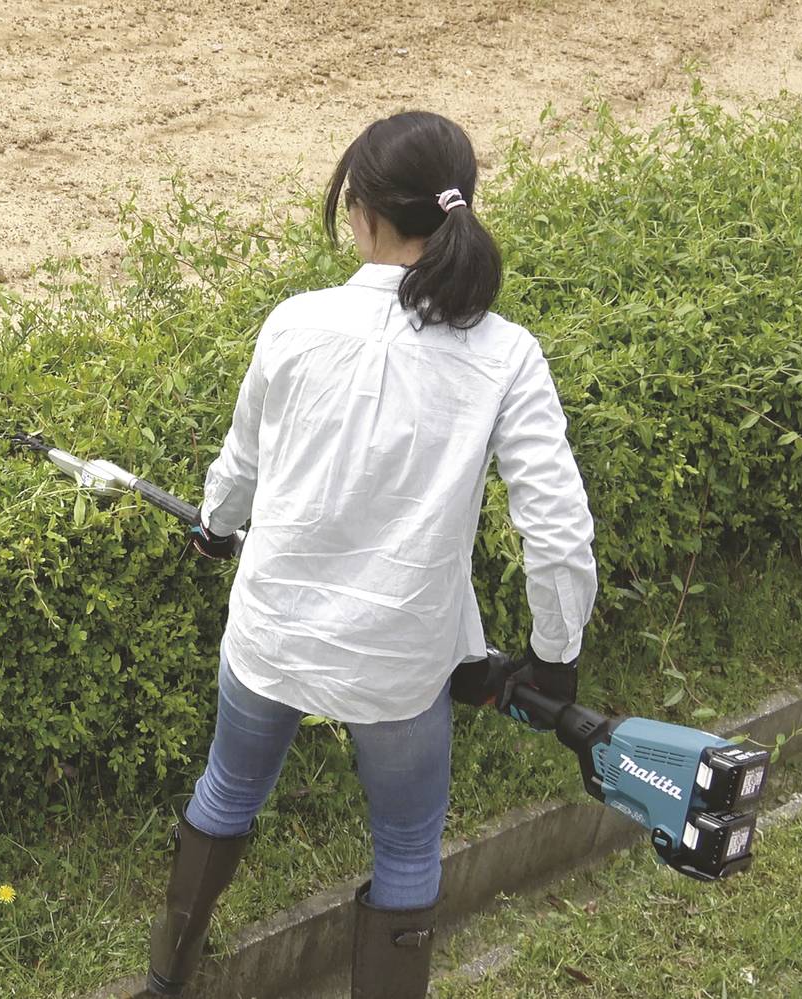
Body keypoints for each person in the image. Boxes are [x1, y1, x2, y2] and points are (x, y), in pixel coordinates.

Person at [146, 111, 597, 999]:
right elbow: (557, 527)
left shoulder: (295, 323)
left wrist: (217, 524)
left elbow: (241, 462)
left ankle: (163, 985)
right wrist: (554, 655)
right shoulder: (506, 354)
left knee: (227, 792)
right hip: (401, 659)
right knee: (404, 846)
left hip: (271, 633)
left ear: (359, 213)